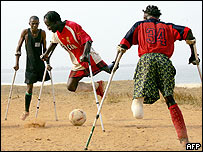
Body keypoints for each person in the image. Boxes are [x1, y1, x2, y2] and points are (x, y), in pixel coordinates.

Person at [115, 5, 200, 147]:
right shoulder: (168, 27)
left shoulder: (139, 25)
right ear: (158, 17)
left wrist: (115, 62)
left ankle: (138, 102)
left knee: (139, 93)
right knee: (170, 99)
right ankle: (185, 141)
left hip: (146, 60)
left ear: (144, 16)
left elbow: (124, 44)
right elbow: (187, 32)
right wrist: (193, 55)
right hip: (164, 62)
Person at [41, 11, 115, 98]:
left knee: (109, 70)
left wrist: (85, 54)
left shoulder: (72, 26)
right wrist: (46, 54)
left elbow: (88, 40)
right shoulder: (56, 33)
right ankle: (97, 86)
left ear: (56, 22)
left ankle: (114, 64)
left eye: (49, 25)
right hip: (77, 62)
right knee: (71, 86)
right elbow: (53, 43)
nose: (48, 28)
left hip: (88, 56)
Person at [14, 16, 52, 120]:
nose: (35, 25)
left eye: (37, 23)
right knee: (29, 88)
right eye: (33, 23)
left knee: (44, 86)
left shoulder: (42, 33)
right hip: (30, 65)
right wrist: (17, 63)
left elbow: (45, 50)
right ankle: (26, 111)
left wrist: (48, 63)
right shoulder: (25, 33)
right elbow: (18, 48)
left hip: (40, 64)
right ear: (29, 23)